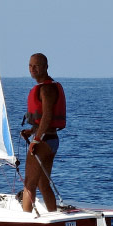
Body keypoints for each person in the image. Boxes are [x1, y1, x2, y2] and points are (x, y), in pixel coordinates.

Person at [20, 53, 66, 213]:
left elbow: (47, 116)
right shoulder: (47, 87)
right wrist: (32, 131)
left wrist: (36, 139)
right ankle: (53, 214)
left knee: (29, 183)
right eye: (30, 66)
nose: (32, 69)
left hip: (44, 141)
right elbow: (45, 121)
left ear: (46, 67)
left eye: (36, 66)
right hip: (51, 139)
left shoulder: (46, 89)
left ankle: (25, 219)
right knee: (42, 183)